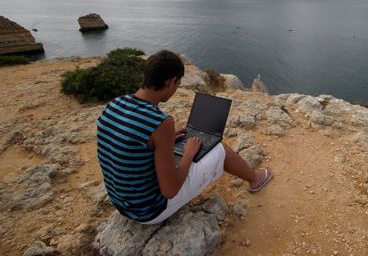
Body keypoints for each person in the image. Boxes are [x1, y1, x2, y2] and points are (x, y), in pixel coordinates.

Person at [96, 50, 272, 224]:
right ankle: (256, 179)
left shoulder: (113, 105)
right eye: (178, 84)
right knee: (219, 148)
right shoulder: (160, 123)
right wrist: (188, 154)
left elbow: (129, 146)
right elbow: (170, 190)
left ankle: (252, 176)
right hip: (150, 211)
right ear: (172, 82)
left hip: (121, 203)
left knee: (183, 151)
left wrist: (165, 142)